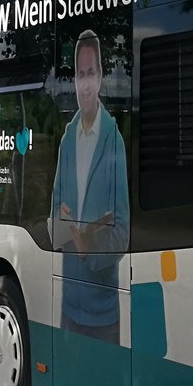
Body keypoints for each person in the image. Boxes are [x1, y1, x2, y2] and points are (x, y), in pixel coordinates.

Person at [50, 29, 129, 344]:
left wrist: (88, 251)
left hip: (103, 314)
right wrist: (60, 221)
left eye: (91, 72)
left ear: (100, 78)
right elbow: (53, 221)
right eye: (79, 74)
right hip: (68, 308)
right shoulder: (67, 142)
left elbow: (123, 232)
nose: (84, 82)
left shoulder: (114, 142)